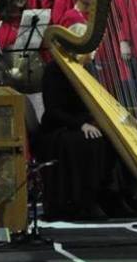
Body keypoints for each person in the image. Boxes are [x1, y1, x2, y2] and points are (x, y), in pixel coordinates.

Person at [37, 22, 127, 220]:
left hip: (80, 125)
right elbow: (54, 111)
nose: (95, 50)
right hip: (58, 128)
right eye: (90, 46)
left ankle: (110, 196)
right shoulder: (55, 70)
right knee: (91, 142)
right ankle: (85, 200)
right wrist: (81, 124)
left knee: (114, 138)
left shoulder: (88, 69)